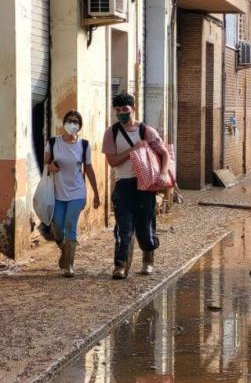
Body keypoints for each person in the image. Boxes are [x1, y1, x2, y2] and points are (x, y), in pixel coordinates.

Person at [102, 93, 170, 280]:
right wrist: (134, 150)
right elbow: (112, 161)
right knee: (123, 229)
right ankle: (120, 265)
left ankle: (148, 259)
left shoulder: (146, 131)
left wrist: (163, 173)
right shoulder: (112, 133)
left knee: (145, 227)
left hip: (145, 185)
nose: (122, 113)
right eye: (118, 110)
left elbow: (164, 153)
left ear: (133, 108)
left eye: (125, 109)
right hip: (124, 185)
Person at [44, 110, 100, 277]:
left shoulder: (84, 145)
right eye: (69, 120)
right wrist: (50, 167)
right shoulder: (53, 142)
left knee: (70, 226)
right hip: (57, 193)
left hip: (77, 192)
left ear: (79, 126)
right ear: (64, 123)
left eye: (76, 122)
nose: (72, 124)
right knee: (58, 228)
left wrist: (96, 193)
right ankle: (65, 252)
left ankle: (69, 265)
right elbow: (45, 162)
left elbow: (88, 169)